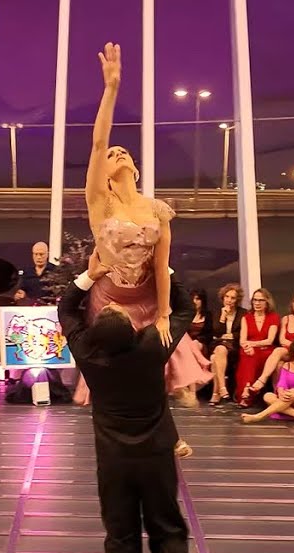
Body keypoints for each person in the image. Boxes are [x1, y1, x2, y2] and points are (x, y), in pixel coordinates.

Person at [57, 251, 195, 553]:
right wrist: (162, 266)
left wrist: (90, 274)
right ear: (134, 329)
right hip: (155, 458)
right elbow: (182, 307)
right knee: (168, 528)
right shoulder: (152, 346)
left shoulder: (89, 354)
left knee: (120, 535)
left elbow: (65, 307)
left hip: (114, 461)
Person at [74, 42, 211, 408]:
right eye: (110, 155)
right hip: (112, 298)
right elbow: (98, 140)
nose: (115, 153)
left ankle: (163, 430)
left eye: (123, 152)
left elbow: (161, 265)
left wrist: (165, 313)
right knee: (120, 373)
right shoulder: (100, 202)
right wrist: (111, 89)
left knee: (162, 371)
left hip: (149, 294)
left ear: (134, 166)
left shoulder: (157, 210)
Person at [240, 337, 294, 426]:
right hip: (288, 398)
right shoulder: (286, 365)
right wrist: (281, 392)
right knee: (268, 396)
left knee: (292, 392)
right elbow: (282, 383)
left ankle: (258, 416)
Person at [234, 289, 279, 407]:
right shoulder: (246, 318)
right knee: (249, 355)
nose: (257, 303)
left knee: (251, 355)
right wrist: (248, 346)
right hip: (249, 349)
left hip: (266, 350)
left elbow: (269, 340)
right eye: (255, 300)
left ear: (267, 302)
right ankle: (247, 389)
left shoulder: (273, 317)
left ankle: (247, 392)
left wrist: (251, 344)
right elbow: (242, 341)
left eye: (261, 300)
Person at [208, 283, 245, 404]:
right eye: (227, 297)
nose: (229, 300)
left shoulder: (243, 313)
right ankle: (222, 388)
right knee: (219, 350)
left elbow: (244, 332)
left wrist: (233, 335)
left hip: (234, 346)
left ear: (237, 300)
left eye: (233, 298)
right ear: (223, 298)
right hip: (218, 344)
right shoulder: (216, 313)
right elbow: (217, 332)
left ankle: (216, 392)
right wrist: (223, 317)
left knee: (214, 358)